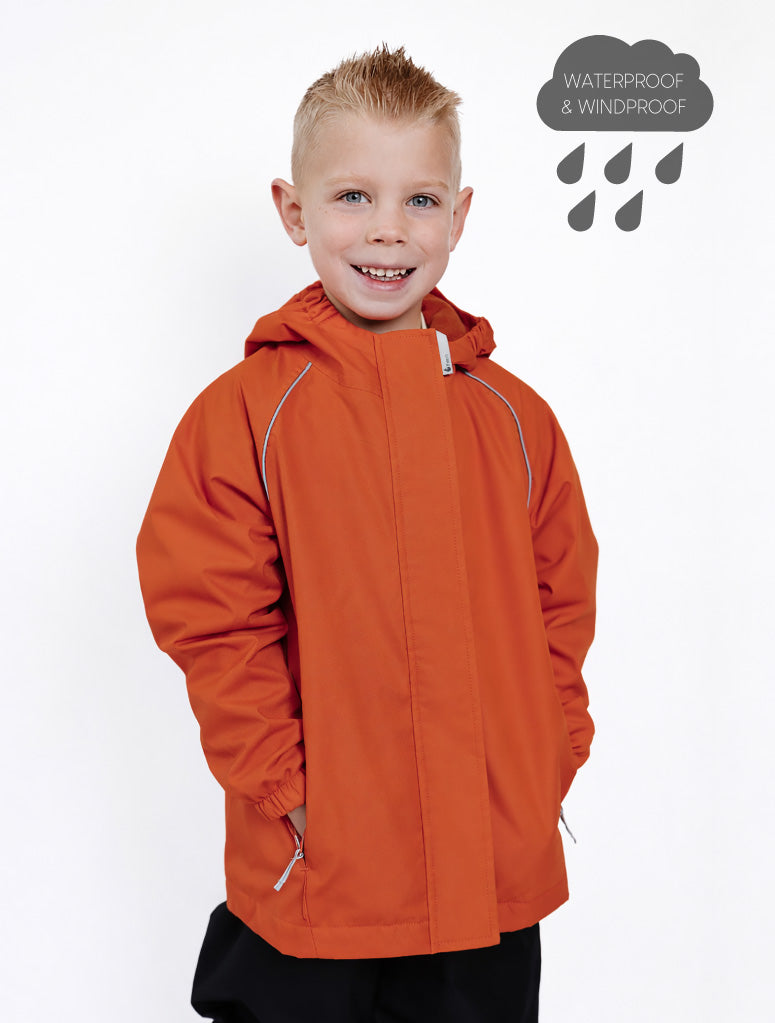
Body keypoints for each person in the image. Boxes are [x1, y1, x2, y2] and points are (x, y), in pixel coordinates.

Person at [136, 43, 598, 1023]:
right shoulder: (246, 414)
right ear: (293, 211)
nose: (388, 230)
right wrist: (288, 791)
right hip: (321, 877)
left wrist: (548, 755)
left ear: (458, 216)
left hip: (490, 876)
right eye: (353, 196)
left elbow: (562, 603)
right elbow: (212, 620)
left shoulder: (515, 418)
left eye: (419, 200)